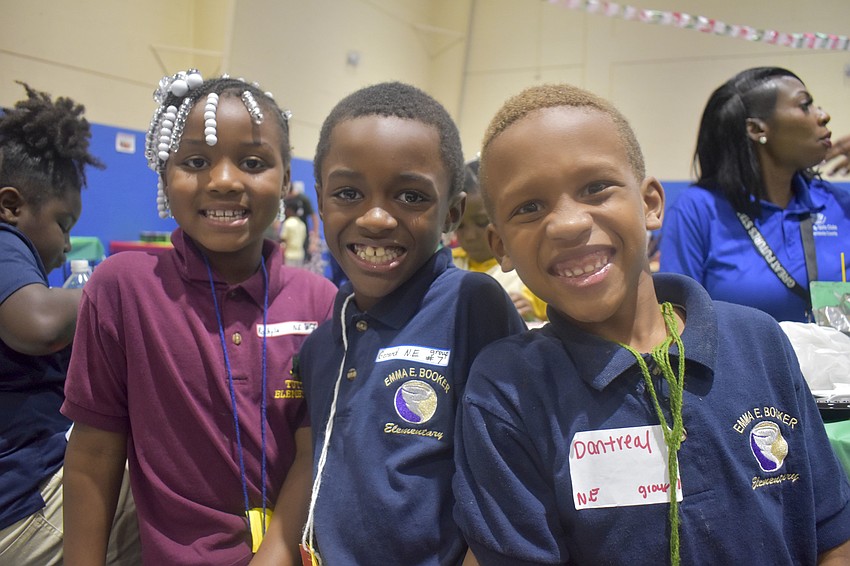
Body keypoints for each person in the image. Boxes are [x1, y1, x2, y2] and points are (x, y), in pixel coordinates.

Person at [452, 83, 850, 565]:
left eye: (596, 187)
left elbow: (833, 533)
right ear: (500, 247)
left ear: (651, 204)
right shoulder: (506, 392)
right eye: (529, 208)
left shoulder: (758, 341)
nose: (568, 224)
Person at [60, 70, 337, 565]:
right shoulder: (124, 288)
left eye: (252, 162)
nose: (225, 180)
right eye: (195, 161)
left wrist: (274, 553)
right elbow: (94, 452)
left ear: (287, 180)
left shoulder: (320, 300)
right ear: (165, 174)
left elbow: (314, 447)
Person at [297, 81, 526, 565]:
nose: (377, 218)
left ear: (454, 211)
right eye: (348, 193)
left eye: (411, 196)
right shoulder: (328, 333)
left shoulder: (473, 304)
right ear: (321, 201)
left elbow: (509, 487)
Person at [0, 82, 140, 565]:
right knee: (186, 491)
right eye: (63, 224)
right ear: (11, 206)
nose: (66, 245)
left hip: (25, 494)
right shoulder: (3, 241)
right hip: (24, 508)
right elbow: (38, 324)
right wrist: (116, 289)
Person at [659, 67, 850, 322]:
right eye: (805, 105)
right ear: (757, 129)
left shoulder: (837, 204)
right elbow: (674, 321)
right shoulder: (698, 211)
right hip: (738, 362)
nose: (824, 116)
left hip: (834, 360)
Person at [452, 157, 547, 325]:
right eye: (460, 226)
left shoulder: (532, 272)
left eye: (482, 223)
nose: (470, 236)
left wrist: (532, 317)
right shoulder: (449, 265)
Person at [285, 180, 320, 260]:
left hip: (302, 237)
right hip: (288, 239)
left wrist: (314, 239)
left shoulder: (303, 199)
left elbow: (314, 217)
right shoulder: (284, 200)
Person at [280, 199, 307, 266]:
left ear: (290, 210)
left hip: (289, 255)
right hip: (300, 255)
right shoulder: (302, 224)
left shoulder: (288, 223)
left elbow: (283, 239)